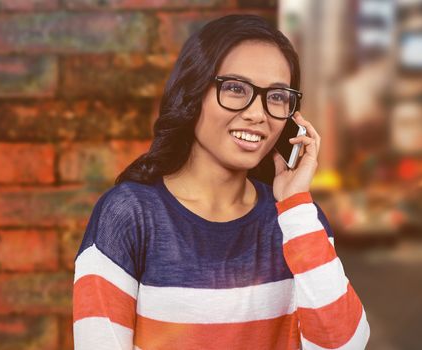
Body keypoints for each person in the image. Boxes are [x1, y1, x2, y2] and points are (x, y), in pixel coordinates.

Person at [72, 14, 370, 350]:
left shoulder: (298, 220)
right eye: (235, 88)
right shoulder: (128, 215)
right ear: (193, 92)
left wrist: (296, 207)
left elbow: (344, 345)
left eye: (276, 96)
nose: (258, 114)